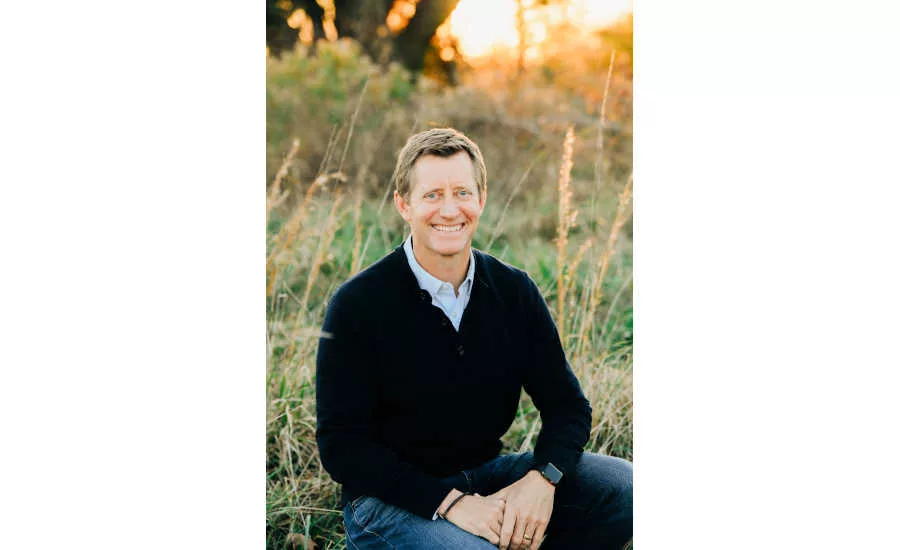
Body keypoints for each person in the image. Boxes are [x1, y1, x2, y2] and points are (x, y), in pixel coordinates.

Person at [315, 128, 632, 549]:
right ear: (404, 204)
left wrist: (542, 479)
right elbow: (341, 446)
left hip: (485, 477)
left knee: (628, 488)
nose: (450, 210)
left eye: (462, 193)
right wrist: (450, 503)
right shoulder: (358, 304)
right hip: (389, 502)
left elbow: (567, 406)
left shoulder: (513, 291)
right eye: (432, 195)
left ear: (481, 199)